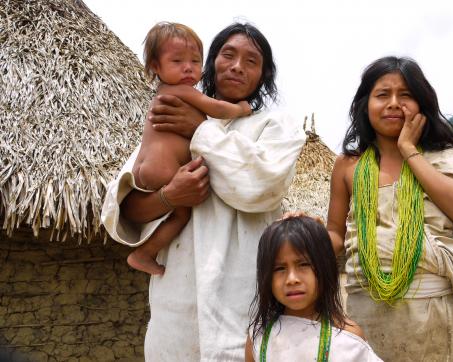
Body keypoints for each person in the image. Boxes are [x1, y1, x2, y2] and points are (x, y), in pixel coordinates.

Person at [101, 22, 306, 361]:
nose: (237, 66)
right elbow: (124, 208)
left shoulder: (276, 127)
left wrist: (201, 130)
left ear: (263, 75)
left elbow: (258, 187)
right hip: (175, 304)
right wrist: (170, 196)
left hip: (242, 298)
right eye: (228, 55)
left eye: (251, 61)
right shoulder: (168, 118)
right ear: (211, 63)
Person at [326, 56, 453, 361]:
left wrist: (409, 151)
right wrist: (306, 234)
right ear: (365, 104)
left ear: (422, 105)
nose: (393, 103)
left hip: (435, 312)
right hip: (367, 311)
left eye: (405, 95)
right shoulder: (348, 165)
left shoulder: (444, 158)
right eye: (382, 95)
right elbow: (334, 231)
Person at [127, 22, 252, 275]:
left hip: (148, 167)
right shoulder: (181, 91)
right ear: (155, 67)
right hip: (164, 170)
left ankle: (144, 253)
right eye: (177, 61)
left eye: (195, 61)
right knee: (180, 216)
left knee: (176, 214)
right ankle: (143, 253)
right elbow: (216, 108)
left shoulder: (165, 94)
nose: (188, 67)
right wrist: (241, 109)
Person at [245, 216, 382, 362]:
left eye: (303, 264)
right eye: (279, 268)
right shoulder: (259, 337)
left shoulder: (347, 339)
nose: (292, 279)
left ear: (325, 267)